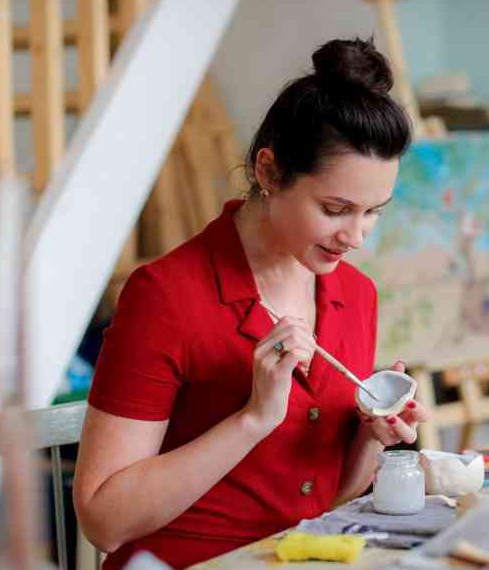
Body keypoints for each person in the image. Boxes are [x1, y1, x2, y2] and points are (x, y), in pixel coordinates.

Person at [73, 37, 429, 569]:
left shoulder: (356, 295)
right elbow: (103, 520)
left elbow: (322, 499)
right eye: (336, 209)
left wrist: (372, 440)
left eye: (374, 211)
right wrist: (253, 419)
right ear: (268, 172)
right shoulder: (165, 297)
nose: (356, 237)